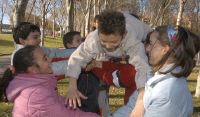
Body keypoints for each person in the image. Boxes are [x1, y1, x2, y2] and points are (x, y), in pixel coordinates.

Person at [65, 10, 152, 117]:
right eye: (104, 42)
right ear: (98, 33)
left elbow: (143, 68)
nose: (108, 46)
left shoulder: (133, 40)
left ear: (124, 35)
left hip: (143, 33)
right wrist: (72, 86)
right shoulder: (93, 39)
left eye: (114, 42)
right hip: (111, 55)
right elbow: (76, 59)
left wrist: (140, 102)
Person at [112, 25, 200, 117]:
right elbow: (129, 109)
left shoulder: (167, 94)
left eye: (151, 43)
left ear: (164, 49)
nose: (147, 48)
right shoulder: (153, 77)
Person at [0, 45, 99, 117]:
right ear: (33, 69)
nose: (49, 60)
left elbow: (57, 103)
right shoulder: (36, 94)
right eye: (44, 58)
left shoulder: (38, 84)